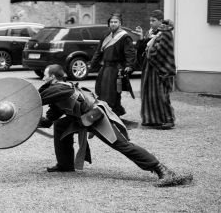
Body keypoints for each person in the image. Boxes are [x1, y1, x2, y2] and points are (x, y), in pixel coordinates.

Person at [38, 64, 192, 187]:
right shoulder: (56, 94)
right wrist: (28, 124)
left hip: (96, 117)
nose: (43, 78)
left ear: (52, 77)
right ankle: (65, 164)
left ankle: (161, 169)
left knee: (122, 145)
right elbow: (48, 121)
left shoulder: (61, 88)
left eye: (45, 75)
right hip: (82, 119)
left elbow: (37, 99)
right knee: (60, 125)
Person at [89, 13, 136, 118]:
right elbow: (98, 52)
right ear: (109, 24)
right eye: (111, 22)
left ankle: (112, 114)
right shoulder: (106, 35)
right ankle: (111, 113)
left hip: (116, 68)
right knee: (101, 90)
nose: (113, 24)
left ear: (120, 24)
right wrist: (92, 64)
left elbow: (130, 53)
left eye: (115, 22)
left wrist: (129, 65)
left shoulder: (125, 37)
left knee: (112, 93)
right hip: (105, 67)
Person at [135, 10, 176, 129]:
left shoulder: (165, 33)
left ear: (160, 21)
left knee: (162, 95)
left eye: (154, 20)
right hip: (150, 68)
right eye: (150, 20)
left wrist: (149, 50)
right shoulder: (152, 33)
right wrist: (142, 37)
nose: (151, 23)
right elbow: (144, 49)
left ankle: (168, 119)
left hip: (161, 68)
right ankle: (151, 119)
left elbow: (161, 50)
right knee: (149, 94)